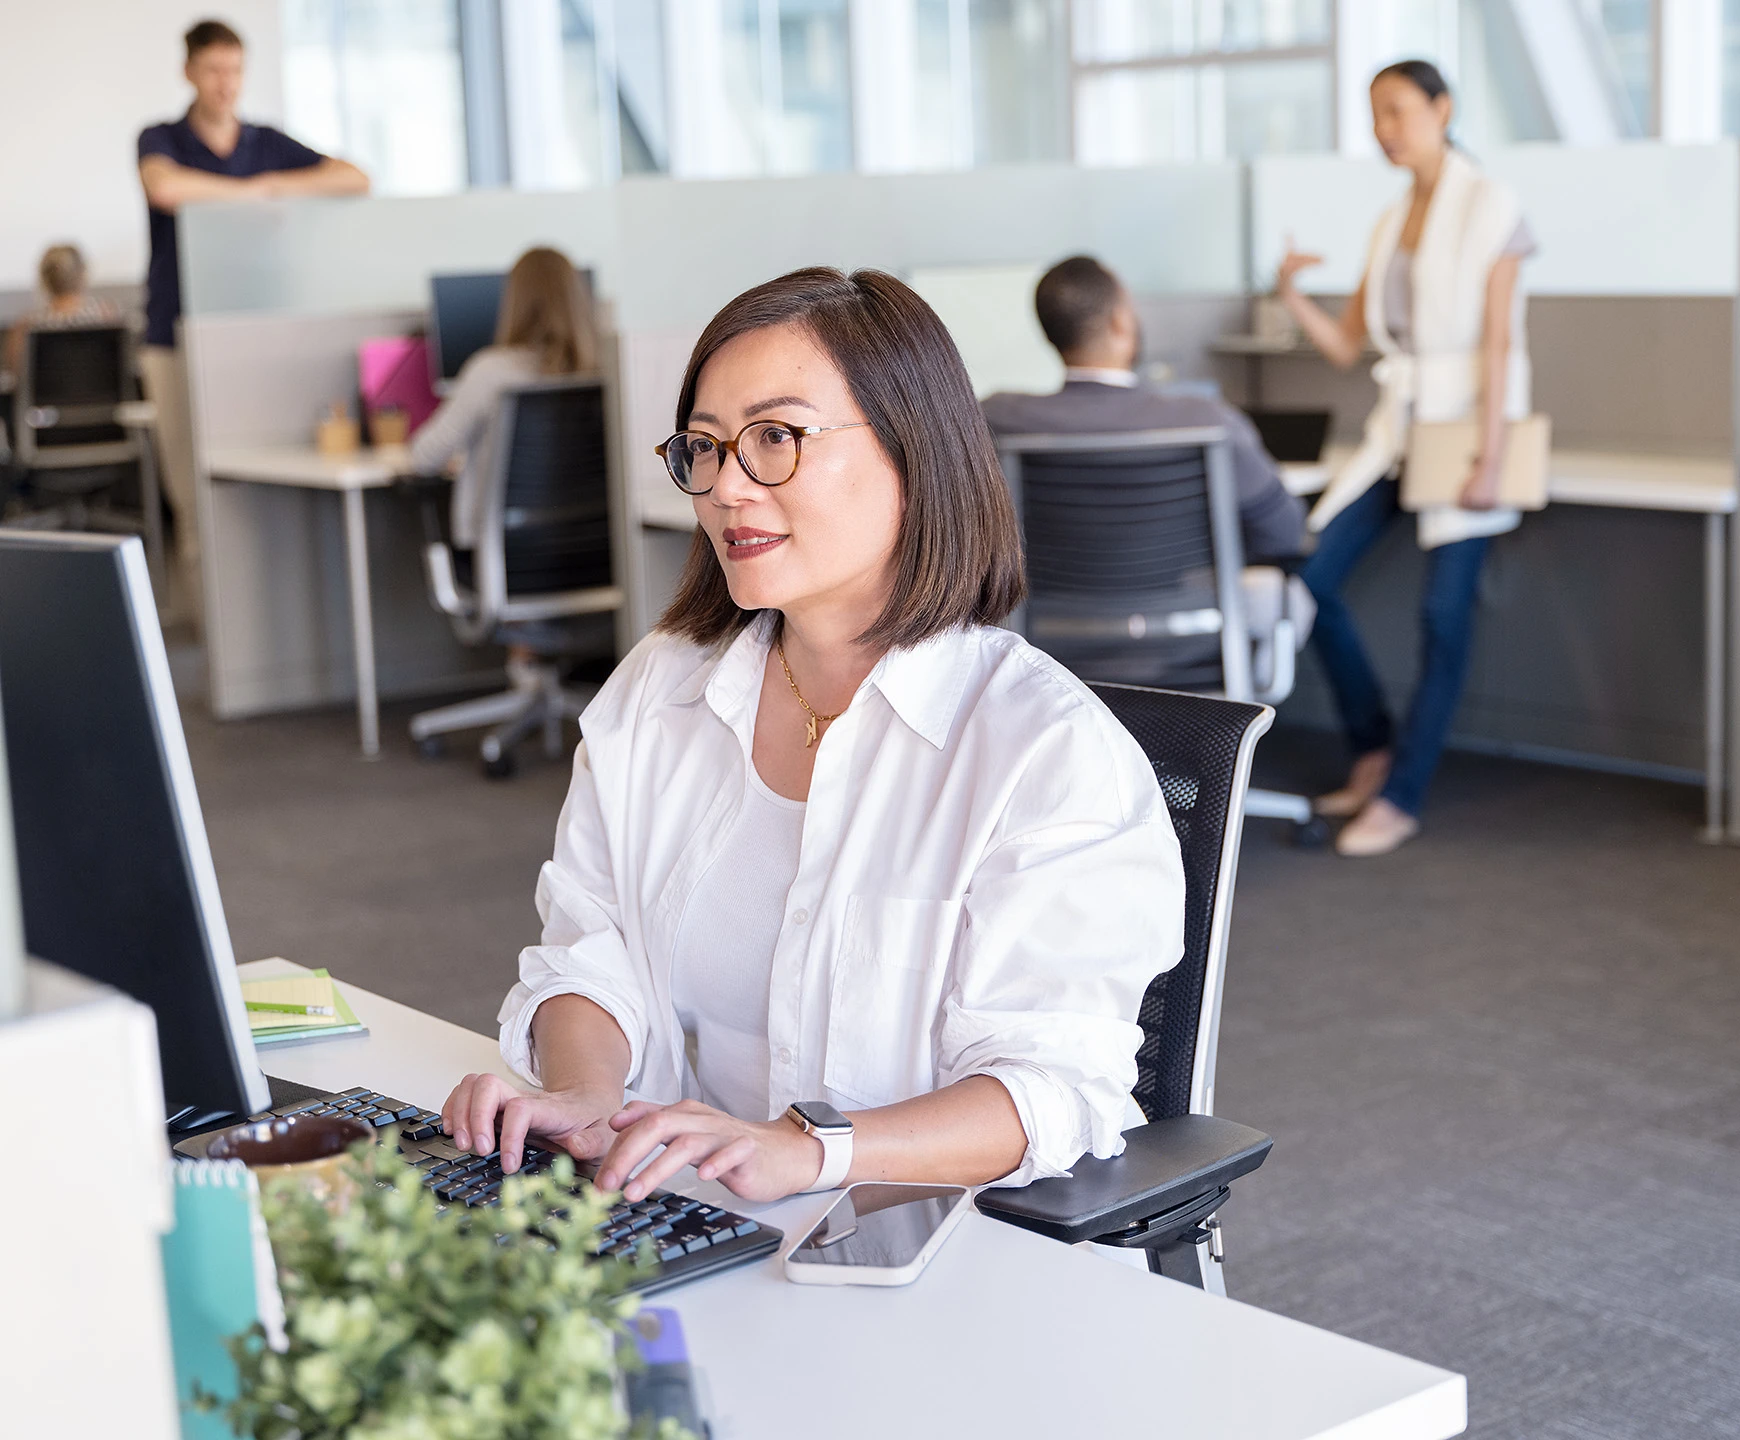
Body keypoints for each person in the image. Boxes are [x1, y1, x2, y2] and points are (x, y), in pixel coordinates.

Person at [441, 267, 1184, 1205]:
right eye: (704, 449)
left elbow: (1053, 1090)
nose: (725, 488)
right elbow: (594, 951)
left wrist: (806, 1149)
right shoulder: (662, 689)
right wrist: (585, 1092)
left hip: (926, 1257)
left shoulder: (1045, 751)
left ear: (914, 452)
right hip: (683, 1217)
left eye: (777, 439)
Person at [1274, 60, 1537, 858]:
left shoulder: (1492, 205)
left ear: (1442, 108)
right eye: (1374, 113)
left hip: (1466, 429)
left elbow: (1499, 342)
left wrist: (1490, 455)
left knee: (1441, 618)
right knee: (1308, 579)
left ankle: (1401, 795)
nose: (1384, 128)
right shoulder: (1391, 221)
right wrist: (1290, 294)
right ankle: (1374, 748)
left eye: (1398, 111)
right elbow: (1352, 344)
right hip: (1400, 431)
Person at [136, 18, 369, 620]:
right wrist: (251, 198)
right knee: (191, 492)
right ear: (189, 71)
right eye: (213, 70)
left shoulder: (264, 143)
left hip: (253, 336)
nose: (225, 83)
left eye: (234, 70)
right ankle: (208, 635)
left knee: (255, 486)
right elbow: (164, 189)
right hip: (175, 335)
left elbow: (353, 178)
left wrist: (269, 182)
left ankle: (254, 625)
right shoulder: (161, 137)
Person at [982, 255, 1308, 565]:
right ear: (1120, 323)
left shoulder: (996, 418)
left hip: (1042, 619)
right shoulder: (1207, 421)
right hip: (1193, 613)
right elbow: (1284, 534)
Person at [408, 247, 599, 554]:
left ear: (514, 302)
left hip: (505, 559)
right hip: (589, 552)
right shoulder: (601, 371)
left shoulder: (491, 371)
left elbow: (425, 457)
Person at [4, 244, 123, 376]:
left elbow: (18, 378)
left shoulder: (26, 326)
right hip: (101, 396)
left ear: (44, 278)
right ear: (83, 274)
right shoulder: (106, 315)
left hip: (46, 396)